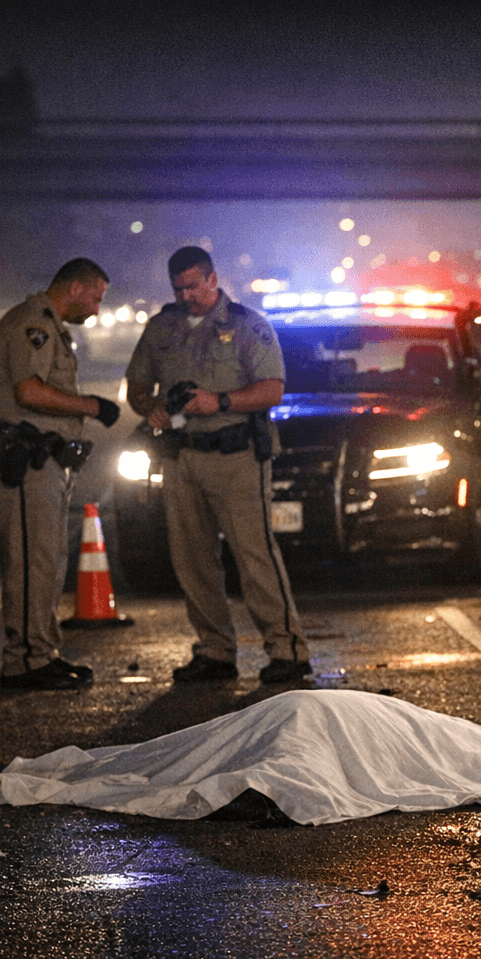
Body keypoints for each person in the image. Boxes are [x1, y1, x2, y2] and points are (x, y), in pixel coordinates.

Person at [125, 246, 311, 684]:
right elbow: (136, 384)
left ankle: (287, 649)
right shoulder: (161, 327)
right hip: (182, 455)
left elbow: (271, 390)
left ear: (212, 279)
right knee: (191, 559)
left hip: (237, 456)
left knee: (255, 555)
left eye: (194, 285)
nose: (187, 294)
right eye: (179, 288)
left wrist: (221, 401)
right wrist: (150, 407)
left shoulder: (247, 326)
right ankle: (214, 650)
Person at [0, 258, 119, 690]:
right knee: (27, 561)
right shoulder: (31, 324)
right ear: (73, 287)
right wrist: (92, 405)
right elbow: (29, 390)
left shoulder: (52, 327)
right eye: (95, 297)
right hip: (22, 462)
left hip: (43, 462)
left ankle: (41, 653)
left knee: (45, 560)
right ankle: (23, 663)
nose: (96, 309)